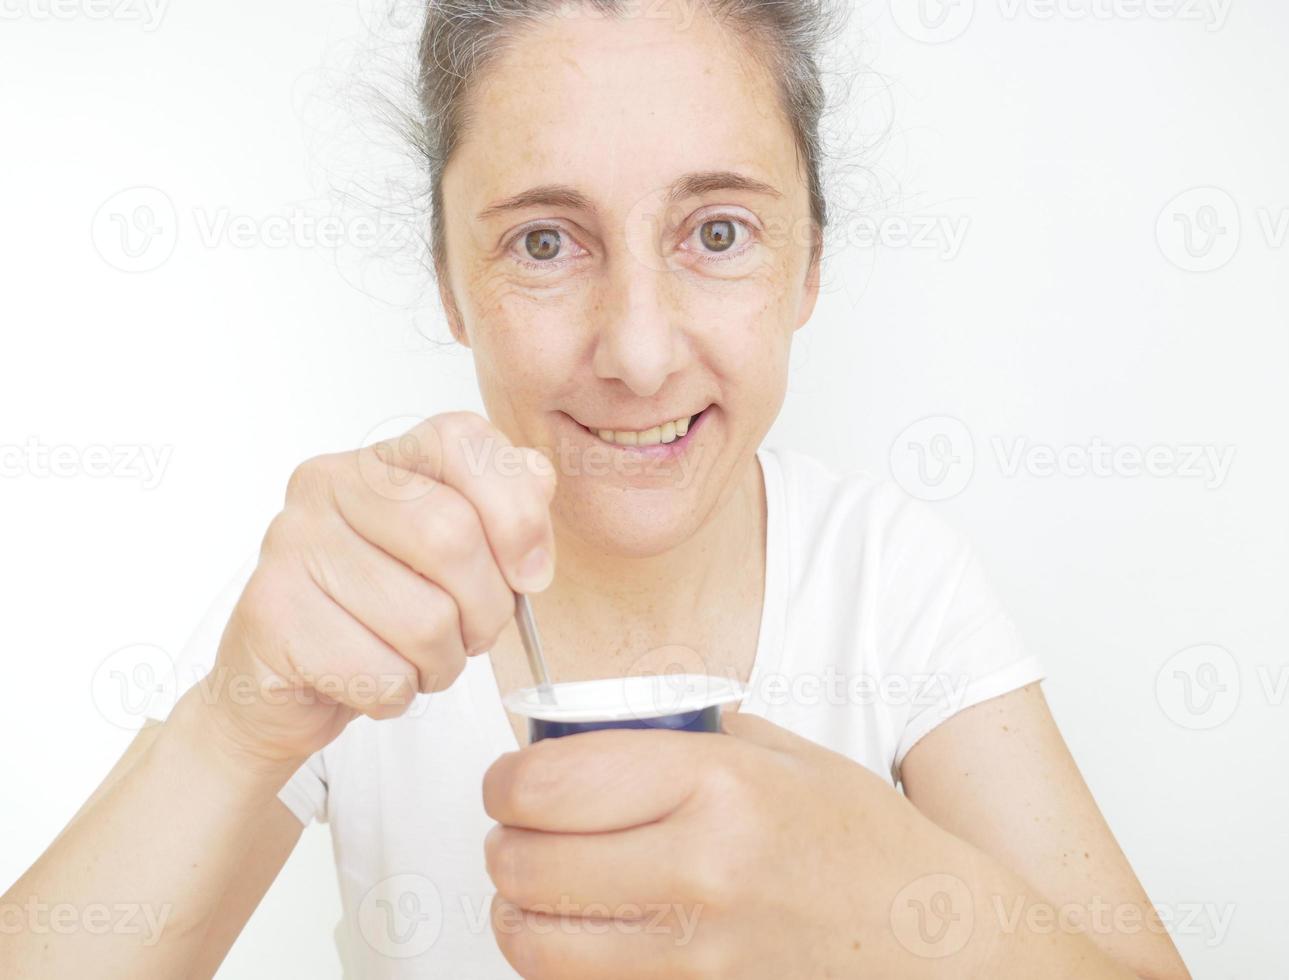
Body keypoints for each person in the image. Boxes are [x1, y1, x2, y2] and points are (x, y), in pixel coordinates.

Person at [0, 1, 1191, 977]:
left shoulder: (887, 580)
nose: (636, 350)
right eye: (543, 241)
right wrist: (229, 729)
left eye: (717, 232)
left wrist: (898, 906)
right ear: (449, 279)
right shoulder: (367, 584)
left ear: (809, 261)